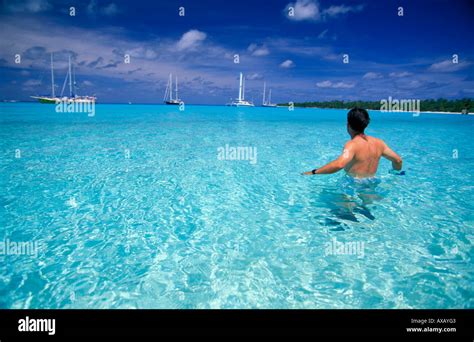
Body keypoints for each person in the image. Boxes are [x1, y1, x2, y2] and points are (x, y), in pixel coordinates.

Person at [303, 107, 403, 178]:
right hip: (371, 183)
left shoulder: (352, 145)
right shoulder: (379, 143)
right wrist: (394, 175)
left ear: (348, 124)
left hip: (353, 184)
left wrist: (314, 172)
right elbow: (398, 160)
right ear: (366, 124)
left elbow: (339, 164)